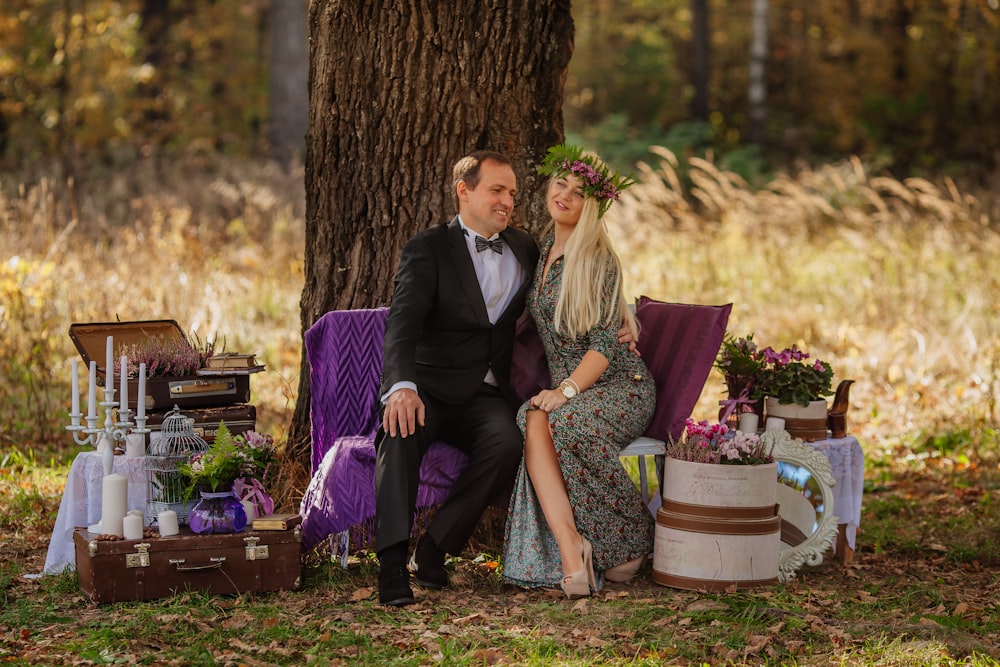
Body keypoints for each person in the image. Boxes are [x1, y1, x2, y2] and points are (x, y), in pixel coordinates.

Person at [374, 150, 540, 607]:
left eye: (512, 193)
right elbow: (402, 324)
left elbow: (570, 284)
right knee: (399, 433)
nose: (507, 201)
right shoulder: (428, 247)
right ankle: (390, 568)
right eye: (496, 190)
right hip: (425, 387)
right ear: (463, 191)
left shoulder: (525, 248)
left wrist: (620, 319)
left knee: (507, 443)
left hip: (482, 394)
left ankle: (435, 549)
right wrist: (401, 387)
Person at [502, 144, 656, 598]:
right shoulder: (542, 248)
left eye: (579, 191)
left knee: (563, 421)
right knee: (531, 415)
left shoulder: (598, 258)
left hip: (619, 386)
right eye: (560, 184)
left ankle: (629, 544)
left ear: (595, 205)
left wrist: (565, 390)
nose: (564, 195)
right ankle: (574, 553)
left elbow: (607, 343)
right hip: (578, 388)